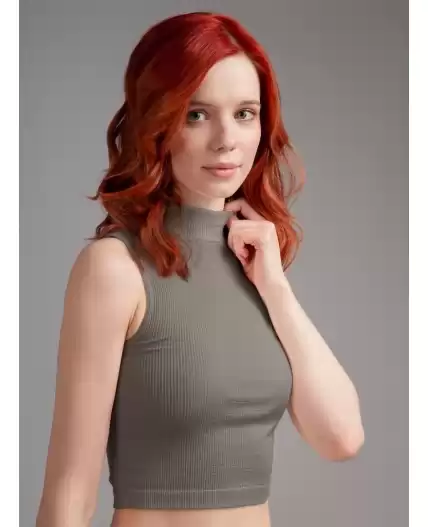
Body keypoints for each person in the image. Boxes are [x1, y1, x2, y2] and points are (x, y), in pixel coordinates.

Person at [36, 11, 365, 527]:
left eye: (245, 113)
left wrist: (275, 288)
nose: (226, 139)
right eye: (196, 114)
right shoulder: (115, 269)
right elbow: (69, 496)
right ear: (156, 123)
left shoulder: (256, 265)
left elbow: (341, 438)